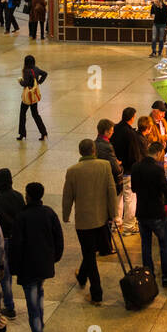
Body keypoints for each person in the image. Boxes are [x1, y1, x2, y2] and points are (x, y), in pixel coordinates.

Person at [9, 182, 63, 332]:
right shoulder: (49, 213)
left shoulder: (22, 217)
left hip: (28, 268)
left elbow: (16, 245)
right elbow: (58, 237)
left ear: (28, 196)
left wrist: (14, 268)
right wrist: (54, 257)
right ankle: (39, 327)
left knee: (33, 306)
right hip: (44, 266)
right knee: (38, 294)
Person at [61, 138, 118, 306]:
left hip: (84, 221)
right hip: (101, 218)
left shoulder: (73, 171)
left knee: (89, 254)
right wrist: (114, 213)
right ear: (94, 150)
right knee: (90, 252)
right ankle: (81, 276)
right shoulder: (104, 166)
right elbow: (111, 190)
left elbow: (67, 196)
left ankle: (97, 293)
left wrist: (66, 215)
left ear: (80, 152)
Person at [132, 140, 167, 287]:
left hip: (142, 212)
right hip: (156, 213)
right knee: (164, 245)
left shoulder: (136, 167)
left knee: (146, 246)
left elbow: (134, 189)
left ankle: (149, 275)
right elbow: (166, 192)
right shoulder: (157, 170)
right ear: (159, 153)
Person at [0, 169, 25, 319]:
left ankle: (9, 306)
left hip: (2, 241)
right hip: (17, 239)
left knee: (5, 274)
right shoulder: (18, 196)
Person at [111, 106, 142, 231]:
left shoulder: (115, 128)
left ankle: (116, 223)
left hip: (116, 169)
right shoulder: (130, 133)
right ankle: (129, 225)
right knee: (130, 197)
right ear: (132, 118)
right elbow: (133, 154)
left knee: (118, 196)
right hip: (128, 170)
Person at [94, 119, 124, 220]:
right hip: (108, 179)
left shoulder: (95, 143)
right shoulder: (107, 146)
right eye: (111, 131)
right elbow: (115, 168)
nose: (113, 133)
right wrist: (120, 167)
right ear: (106, 132)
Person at [17, 55, 48, 141]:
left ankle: (22, 134)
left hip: (27, 96)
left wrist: (20, 81)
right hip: (34, 95)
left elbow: (25, 83)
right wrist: (39, 82)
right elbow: (45, 74)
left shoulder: (26, 71)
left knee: (22, 114)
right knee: (35, 115)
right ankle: (43, 133)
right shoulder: (36, 69)